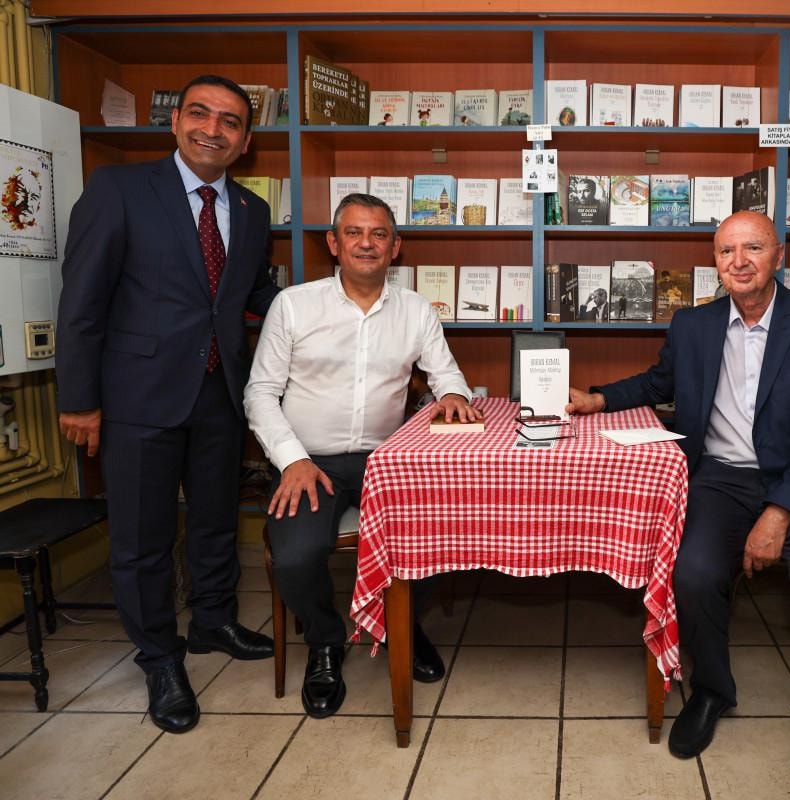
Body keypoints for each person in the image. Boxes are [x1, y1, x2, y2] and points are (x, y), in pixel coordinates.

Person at [567, 210, 790, 795]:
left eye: (753, 248)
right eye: (727, 251)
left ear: (779, 254)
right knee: (693, 572)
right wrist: (598, 398)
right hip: (721, 478)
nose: (739, 261)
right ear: (715, 262)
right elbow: (658, 383)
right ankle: (711, 691)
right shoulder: (693, 324)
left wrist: (778, 513)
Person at [56, 75, 280, 734]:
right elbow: (81, 301)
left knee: (214, 520)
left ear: (245, 140)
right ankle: (159, 657)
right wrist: (80, 400)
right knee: (143, 537)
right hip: (137, 398)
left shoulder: (252, 209)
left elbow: (252, 292)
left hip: (220, 393)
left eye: (231, 121)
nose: (214, 129)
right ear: (176, 121)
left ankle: (212, 621)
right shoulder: (119, 190)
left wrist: (329, 306)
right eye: (201, 114)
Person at [244, 193, 480, 718]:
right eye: (354, 232)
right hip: (308, 461)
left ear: (395, 247)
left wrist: (453, 394)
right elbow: (259, 394)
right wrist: (292, 459)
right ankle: (326, 642)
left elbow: (447, 374)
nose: (366, 244)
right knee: (296, 557)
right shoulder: (293, 305)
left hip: (386, 460)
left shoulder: (416, 310)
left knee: (449, 530)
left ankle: (401, 624)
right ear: (334, 243)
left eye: (378, 234)